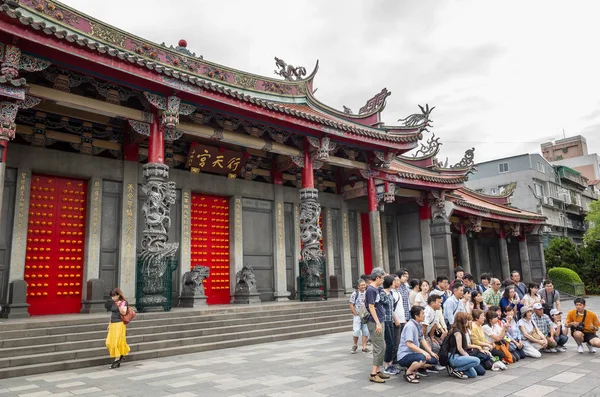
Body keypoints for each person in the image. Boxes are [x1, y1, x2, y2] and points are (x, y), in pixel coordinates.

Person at [397, 306, 440, 383]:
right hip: (404, 356)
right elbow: (409, 344)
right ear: (416, 316)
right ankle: (409, 372)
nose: (424, 315)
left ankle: (413, 368)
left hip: (414, 354)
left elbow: (422, 339)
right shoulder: (410, 326)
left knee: (434, 360)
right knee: (422, 357)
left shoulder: (419, 324)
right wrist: (423, 352)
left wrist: (430, 352)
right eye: (423, 313)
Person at [365, 267, 390, 383]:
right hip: (375, 322)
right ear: (378, 277)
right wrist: (378, 323)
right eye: (383, 278)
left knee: (381, 346)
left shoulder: (376, 288)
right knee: (379, 347)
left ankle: (378, 371)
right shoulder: (371, 290)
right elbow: (371, 307)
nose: (384, 280)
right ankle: (373, 373)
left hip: (379, 320)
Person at [447, 312, 481, 379]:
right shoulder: (457, 332)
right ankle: (457, 370)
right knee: (477, 360)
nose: (468, 322)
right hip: (454, 357)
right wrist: (467, 356)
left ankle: (458, 369)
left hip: (459, 356)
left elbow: (465, 345)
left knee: (473, 374)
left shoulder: (462, 330)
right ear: (462, 321)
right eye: (466, 320)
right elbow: (459, 348)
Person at [106, 288, 130, 369]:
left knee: (116, 342)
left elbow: (123, 312)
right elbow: (112, 314)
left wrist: (119, 306)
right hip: (113, 323)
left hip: (120, 323)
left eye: (114, 296)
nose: (113, 298)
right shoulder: (113, 302)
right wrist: (109, 324)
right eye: (112, 296)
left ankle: (117, 360)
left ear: (118, 295)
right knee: (108, 342)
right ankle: (120, 355)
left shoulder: (123, 302)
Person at [348, 279, 370, 353]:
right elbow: (351, 304)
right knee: (356, 330)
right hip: (357, 314)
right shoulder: (355, 294)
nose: (364, 286)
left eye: (364, 285)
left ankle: (364, 346)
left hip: (365, 314)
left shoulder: (367, 293)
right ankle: (355, 344)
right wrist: (355, 313)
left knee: (365, 331)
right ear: (358, 286)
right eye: (362, 285)